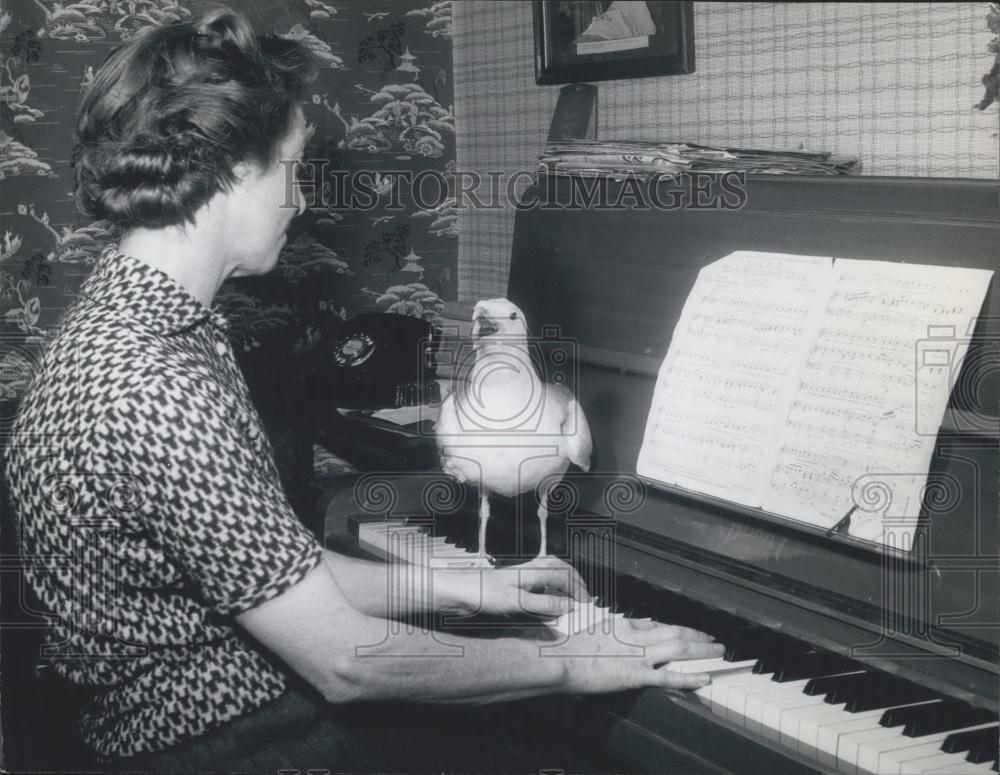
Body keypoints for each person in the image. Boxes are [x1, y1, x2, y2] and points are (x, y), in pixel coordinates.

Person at [3, 6, 722, 772]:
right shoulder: (157, 384)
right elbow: (347, 662)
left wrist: (475, 586)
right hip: (229, 746)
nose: (303, 200)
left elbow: (279, 575)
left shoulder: (128, 325)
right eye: (293, 167)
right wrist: (580, 663)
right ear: (232, 169)